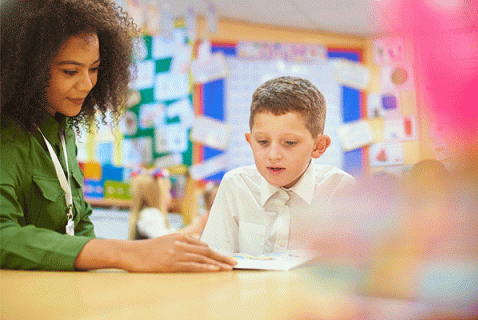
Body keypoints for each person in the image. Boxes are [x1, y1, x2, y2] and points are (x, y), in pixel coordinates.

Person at [0, 0, 236, 272]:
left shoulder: (63, 134)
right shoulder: (9, 137)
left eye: (95, 68)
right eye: (70, 71)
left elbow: (79, 228)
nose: (87, 84)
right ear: (29, 69)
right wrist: (123, 252)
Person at [201, 76, 356, 255]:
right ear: (250, 141)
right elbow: (213, 262)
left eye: (289, 142)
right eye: (263, 141)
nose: (273, 155)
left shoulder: (339, 189)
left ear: (319, 146)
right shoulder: (235, 185)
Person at [128, 168, 208, 240]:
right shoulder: (150, 214)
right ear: (158, 195)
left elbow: (171, 233)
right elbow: (166, 240)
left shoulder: (150, 214)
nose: (170, 196)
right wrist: (197, 226)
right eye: (168, 191)